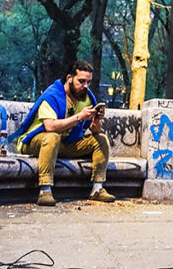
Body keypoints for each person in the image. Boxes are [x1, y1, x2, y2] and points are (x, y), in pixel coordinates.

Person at [16, 61, 115, 207]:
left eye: (88, 82)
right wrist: (79, 117)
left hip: (65, 144)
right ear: (69, 78)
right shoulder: (52, 96)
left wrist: (97, 119)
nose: (86, 86)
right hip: (36, 141)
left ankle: (97, 189)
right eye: (81, 81)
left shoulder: (87, 98)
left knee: (100, 139)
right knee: (52, 137)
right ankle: (45, 190)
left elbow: (95, 130)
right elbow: (49, 126)